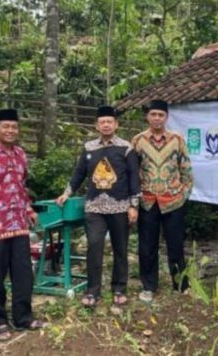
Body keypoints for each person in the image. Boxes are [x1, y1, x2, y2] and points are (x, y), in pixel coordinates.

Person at [56, 105, 140, 308]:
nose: (106, 125)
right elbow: (78, 174)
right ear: (96, 125)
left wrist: (133, 205)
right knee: (94, 247)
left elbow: (134, 179)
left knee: (120, 249)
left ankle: (119, 288)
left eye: (109, 121)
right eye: (102, 122)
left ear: (116, 124)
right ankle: (93, 290)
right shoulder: (89, 148)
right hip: (94, 207)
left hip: (120, 207)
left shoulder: (126, 148)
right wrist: (66, 193)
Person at [0, 108, 46, 341]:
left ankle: (23, 317)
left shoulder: (20, 154)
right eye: (5, 127)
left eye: (14, 127)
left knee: (23, 273)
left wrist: (28, 209)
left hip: (18, 224)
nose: (10, 131)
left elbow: (21, 187)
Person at [131, 99, 194, 304]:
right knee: (147, 245)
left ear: (166, 117)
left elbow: (186, 168)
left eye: (161, 115)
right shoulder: (138, 141)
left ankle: (180, 285)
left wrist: (184, 194)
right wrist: (134, 198)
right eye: (153, 114)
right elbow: (133, 171)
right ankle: (149, 286)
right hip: (147, 200)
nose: (157, 118)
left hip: (174, 201)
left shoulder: (177, 139)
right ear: (147, 116)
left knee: (175, 244)